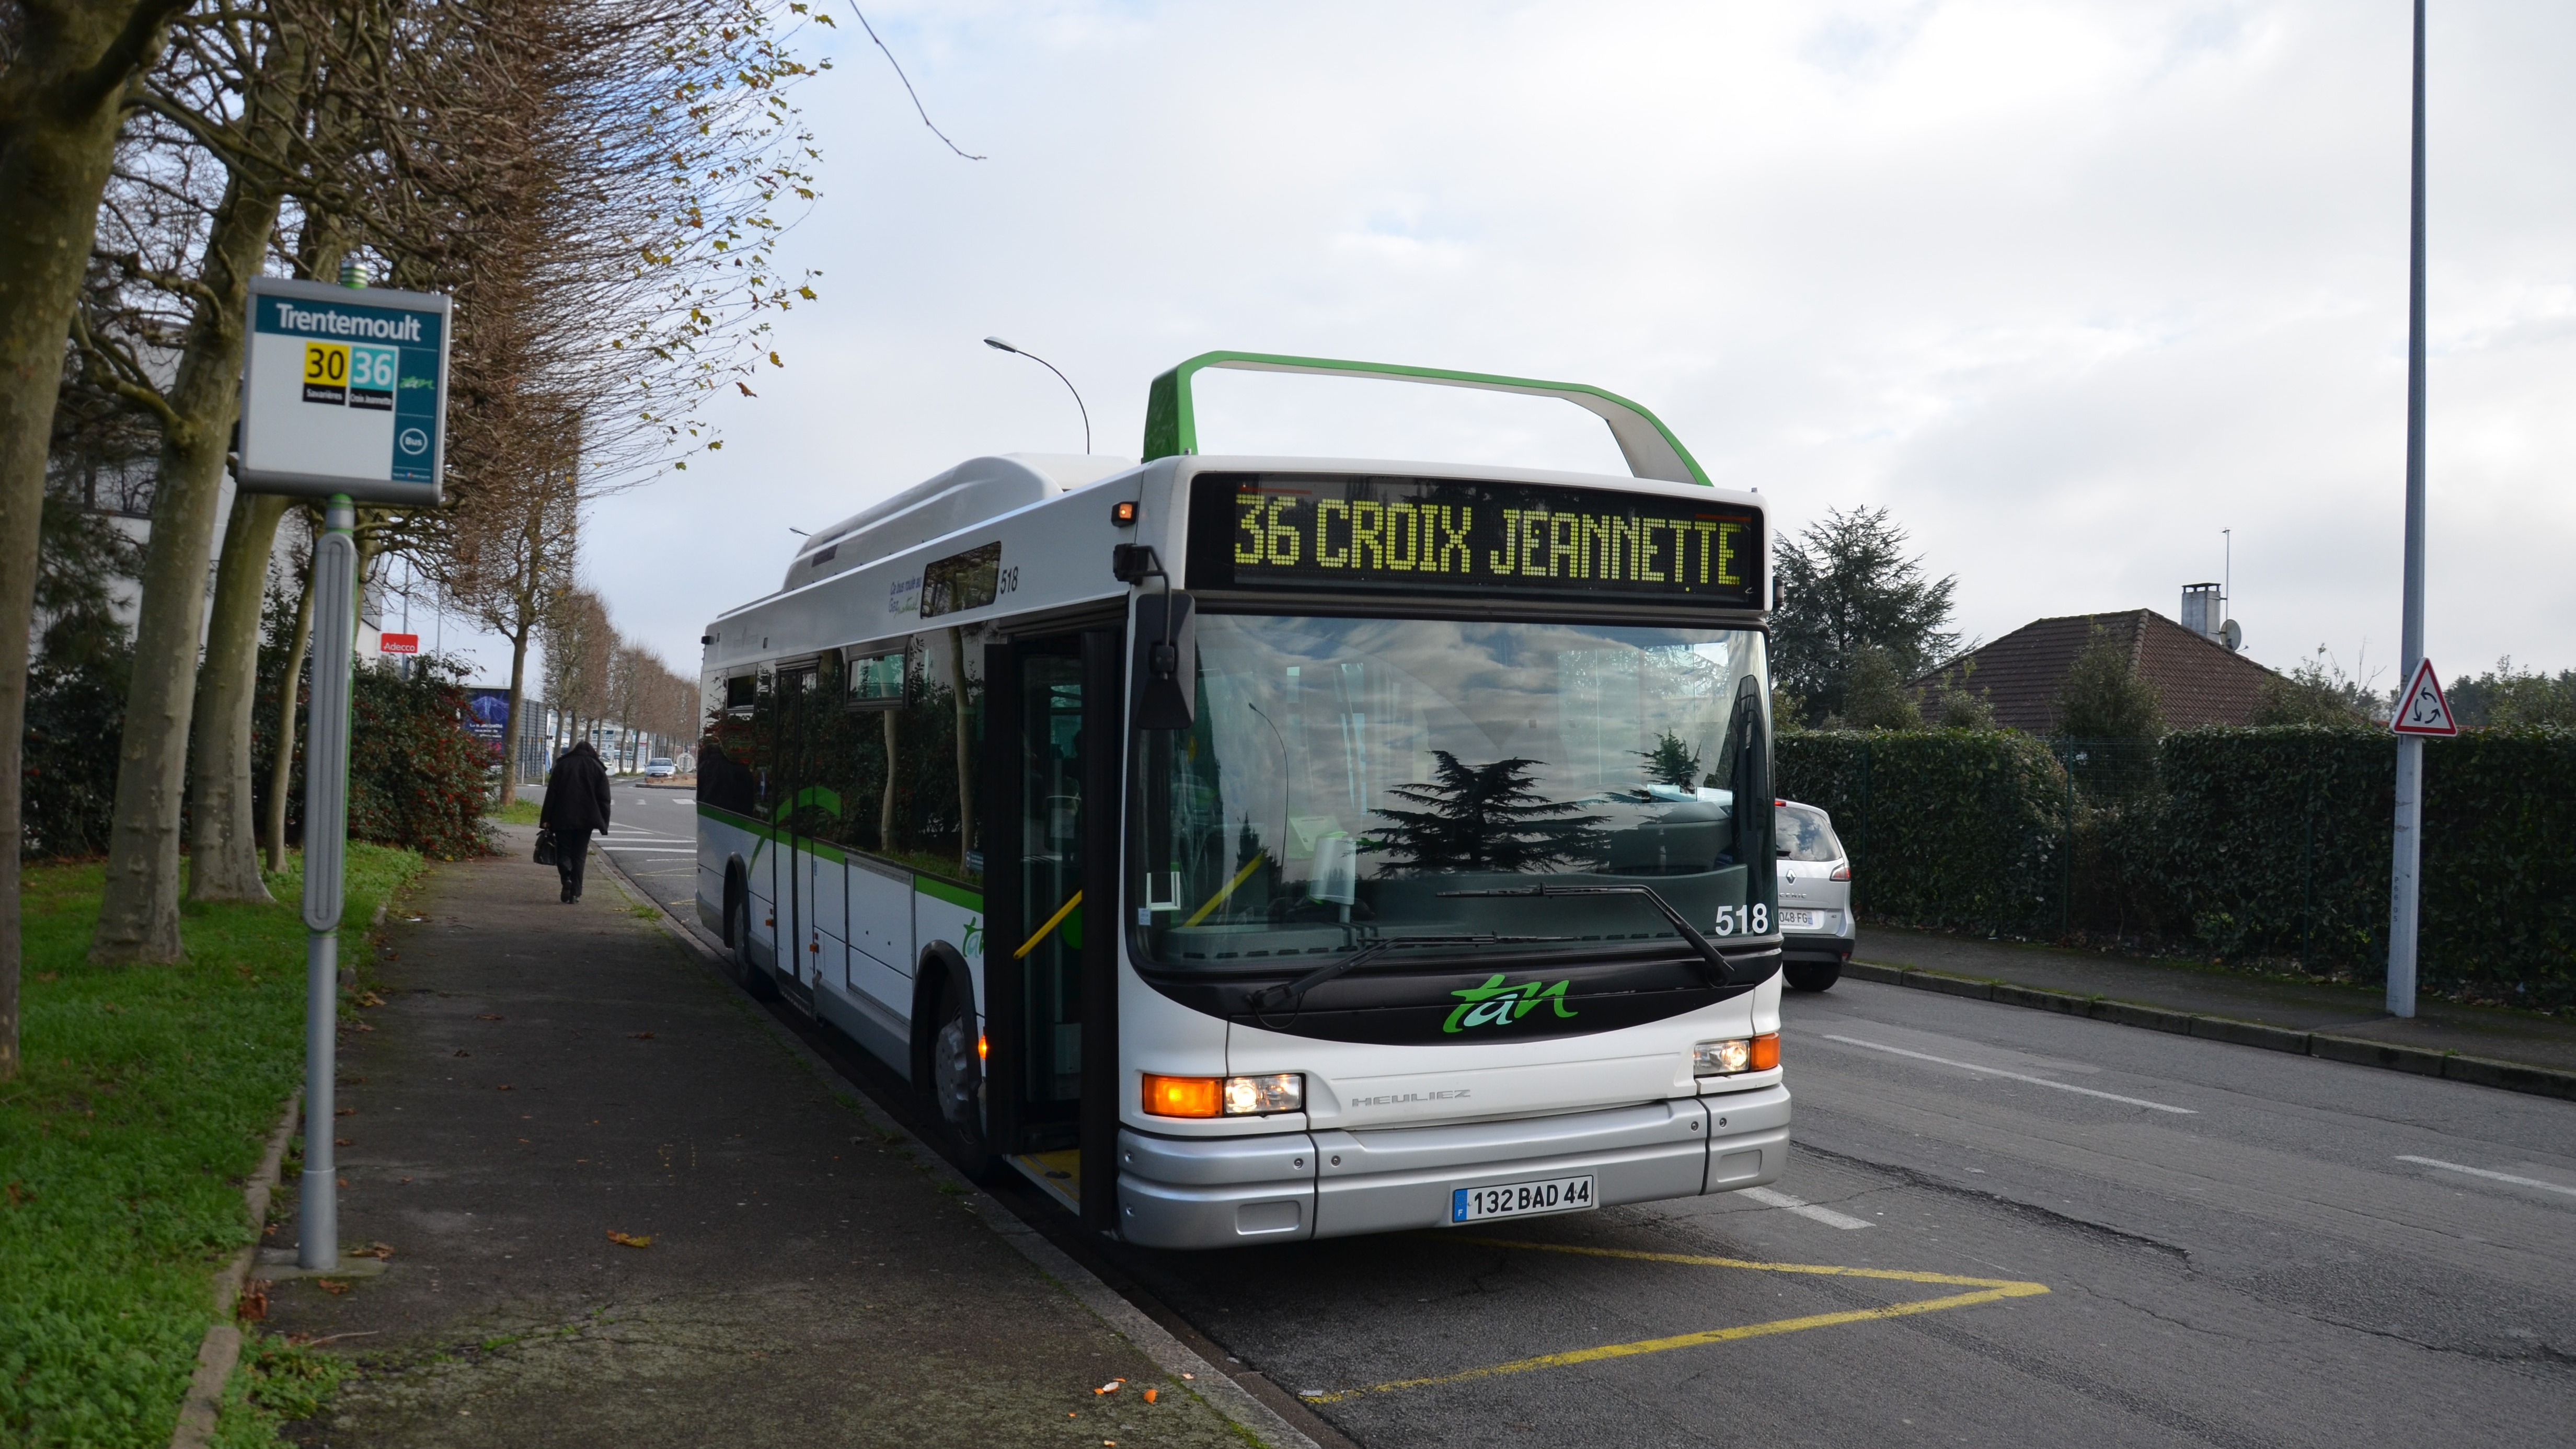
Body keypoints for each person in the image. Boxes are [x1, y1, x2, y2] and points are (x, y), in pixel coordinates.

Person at [540, 739, 613, 902]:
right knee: (579, 855)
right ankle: (575, 894)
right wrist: (604, 823)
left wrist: (546, 819)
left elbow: (551, 794)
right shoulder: (597, 768)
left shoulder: (562, 766)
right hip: (587, 819)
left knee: (563, 851)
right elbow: (604, 799)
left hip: (562, 817)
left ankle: (566, 876)